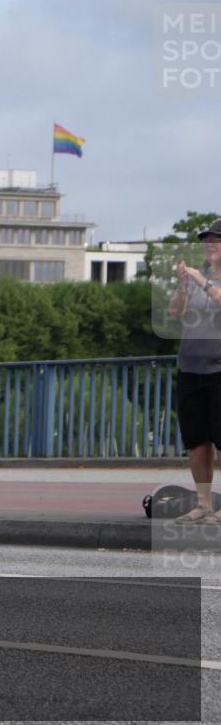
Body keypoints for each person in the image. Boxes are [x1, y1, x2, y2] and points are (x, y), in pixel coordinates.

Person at [170, 219, 221, 523]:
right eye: (207, 240)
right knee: (196, 439)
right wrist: (183, 285)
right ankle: (204, 503)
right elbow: (175, 310)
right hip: (190, 365)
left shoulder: (208, 280)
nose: (210, 245)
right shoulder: (196, 277)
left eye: (217, 240)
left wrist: (203, 283)